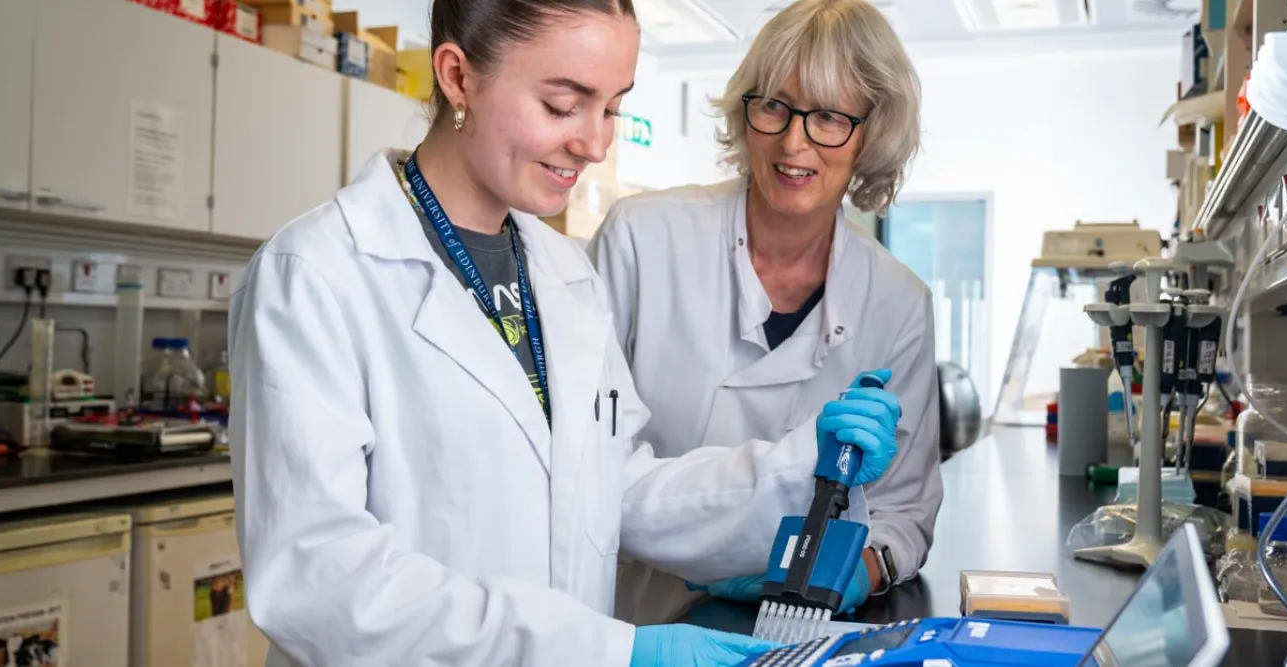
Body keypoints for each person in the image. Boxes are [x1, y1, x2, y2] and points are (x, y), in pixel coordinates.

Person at [226, 0, 906, 665]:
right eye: (562, 105)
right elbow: (317, 577)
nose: (596, 141)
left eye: (611, 106)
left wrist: (795, 467)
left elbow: (617, 488)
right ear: (458, 76)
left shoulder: (561, 273)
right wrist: (614, 650)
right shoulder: (318, 272)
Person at [588, 0, 943, 625]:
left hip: (799, 621)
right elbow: (584, 462)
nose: (793, 141)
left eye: (829, 116)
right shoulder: (643, 238)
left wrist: (855, 572)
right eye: (774, 106)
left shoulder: (898, 302)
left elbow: (903, 510)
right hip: (630, 616)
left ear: (870, 135)